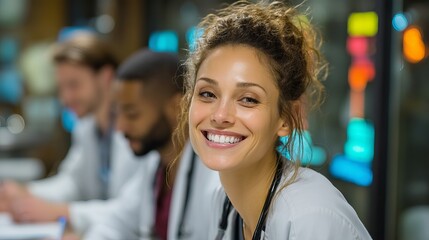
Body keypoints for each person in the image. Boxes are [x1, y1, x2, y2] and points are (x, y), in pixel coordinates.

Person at [175, 1, 373, 239]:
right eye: (207, 94)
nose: (220, 115)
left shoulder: (311, 218)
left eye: (248, 99)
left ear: (285, 119)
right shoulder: (225, 202)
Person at [0, 33, 140, 234]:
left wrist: (62, 212)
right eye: (61, 88)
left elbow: (131, 212)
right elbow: (73, 183)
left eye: (74, 85)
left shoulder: (136, 130)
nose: (65, 98)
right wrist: (26, 193)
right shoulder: (87, 126)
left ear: (106, 76)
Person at [83, 49, 220, 240]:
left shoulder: (215, 179)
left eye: (132, 114)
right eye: (117, 114)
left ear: (176, 108)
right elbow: (115, 222)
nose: (120, 127)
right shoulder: (155, 167)